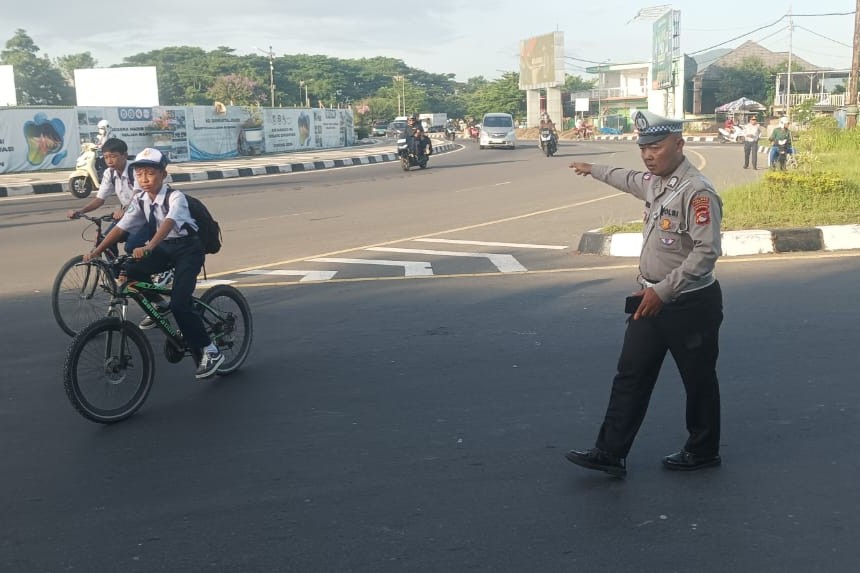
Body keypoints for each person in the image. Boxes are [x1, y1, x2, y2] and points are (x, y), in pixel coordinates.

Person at [566, 110, 724, 478]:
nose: (649, 155)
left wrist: (664, 292)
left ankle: (703, 450)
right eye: (643, 149)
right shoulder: (655, 182)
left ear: (679, 145)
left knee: (698, 380)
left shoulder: (697, 193)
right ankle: (610, 452)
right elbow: (626, 178)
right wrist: (592, 168)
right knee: (631, 374)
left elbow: (706, 252)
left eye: (656, 147)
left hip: (690, 304)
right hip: (649, 298)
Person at [83, 148, 225, 380]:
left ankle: (211, 350)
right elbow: (122, 227)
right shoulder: (140, 199)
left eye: (150, 173)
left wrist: (149, 247)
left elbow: (168, 223)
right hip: (165, 248)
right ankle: (159, 304)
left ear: (163, 174)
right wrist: (96, 251)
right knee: (128, 270)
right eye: (140, 174)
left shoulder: (175, 197)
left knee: (180, 304)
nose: (145, 179)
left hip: (188, 249)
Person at [66, 138, 149, 253]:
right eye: (106, 157)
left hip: (145, 216)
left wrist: (123, 211)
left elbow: (138, 194)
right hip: (128, 215)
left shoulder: (135, 170)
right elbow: (100, 199)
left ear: (124, 155)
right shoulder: (109, 173)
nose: (109, 161)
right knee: (104, 242)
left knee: (131, 246)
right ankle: (114, 271)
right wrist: (80, 211)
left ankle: (143, 268)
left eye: (113, 156)